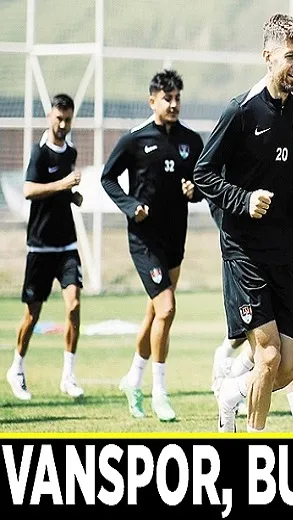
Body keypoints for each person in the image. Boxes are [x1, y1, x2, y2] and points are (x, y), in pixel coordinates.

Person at [197, 13, 293, 433]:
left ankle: (231, 393)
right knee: (267, 357)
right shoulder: (241, 111)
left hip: (282, 251)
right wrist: (244, 200)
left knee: (286, 367)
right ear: (268, 57)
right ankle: (255, 440)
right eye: (290, 57)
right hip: (244, 251)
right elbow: (204, 173)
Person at [102, 70, 204, 422]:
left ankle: (133, 379)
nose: (173, 104)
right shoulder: (135, 139)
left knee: (155, 312)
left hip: (175, 238)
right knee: (167, 309)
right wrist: (131, 206)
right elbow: (107, 178)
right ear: (152, 101)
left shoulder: (191, 140)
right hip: (144, 240)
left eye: (177, 98)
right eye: (167, 98)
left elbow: (202, 182)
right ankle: (160, 392)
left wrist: (195, 191)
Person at [7, 93, 84, 402]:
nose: (63, 124)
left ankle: (68, 376)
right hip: (40, 247)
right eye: (59, 118)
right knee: (32, 315)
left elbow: (62, 193)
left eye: (68, 119)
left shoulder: (71, 152)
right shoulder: (39, 153)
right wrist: (63, 185)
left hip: (67, 244)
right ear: (50, 117)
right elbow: (28, 190)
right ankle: (16, 368)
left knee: (74, 306)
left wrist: (73, 197)